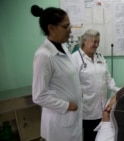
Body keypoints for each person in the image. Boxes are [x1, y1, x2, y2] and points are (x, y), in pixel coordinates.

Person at [31, 5, 82, 141]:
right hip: (60, 122)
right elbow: (38, 96)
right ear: (51, 28)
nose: (70, 31)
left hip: (72, 118)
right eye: (66, 27)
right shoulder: (44, 55)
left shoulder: (64, 48)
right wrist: (67, 106)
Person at [71, 29, 120, 141]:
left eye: (98, 42)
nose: (96, 45)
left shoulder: (100, 57)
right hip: (87, 108)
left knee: (101, 135)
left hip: (103, 106)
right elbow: (72, 84)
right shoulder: (75, 58)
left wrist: (118, 90)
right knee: (90, 135)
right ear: (85, 41)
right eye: (94, 42)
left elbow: (107, 77)